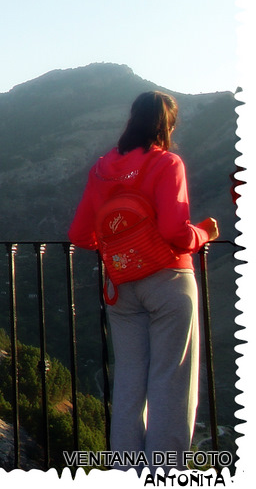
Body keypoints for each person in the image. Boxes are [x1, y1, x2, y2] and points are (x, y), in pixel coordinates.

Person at [69, 90, 219, 469]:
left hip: (122, 286)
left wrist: (118, 249)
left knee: (130, 381)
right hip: (168, 280)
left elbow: (79, 235)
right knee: (171, 378)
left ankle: (124, 470)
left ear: (131, 120)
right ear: (165, 125)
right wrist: (203, 234)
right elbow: (174, 229)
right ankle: (164, 472)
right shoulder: (167, 163)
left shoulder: (102, 168)